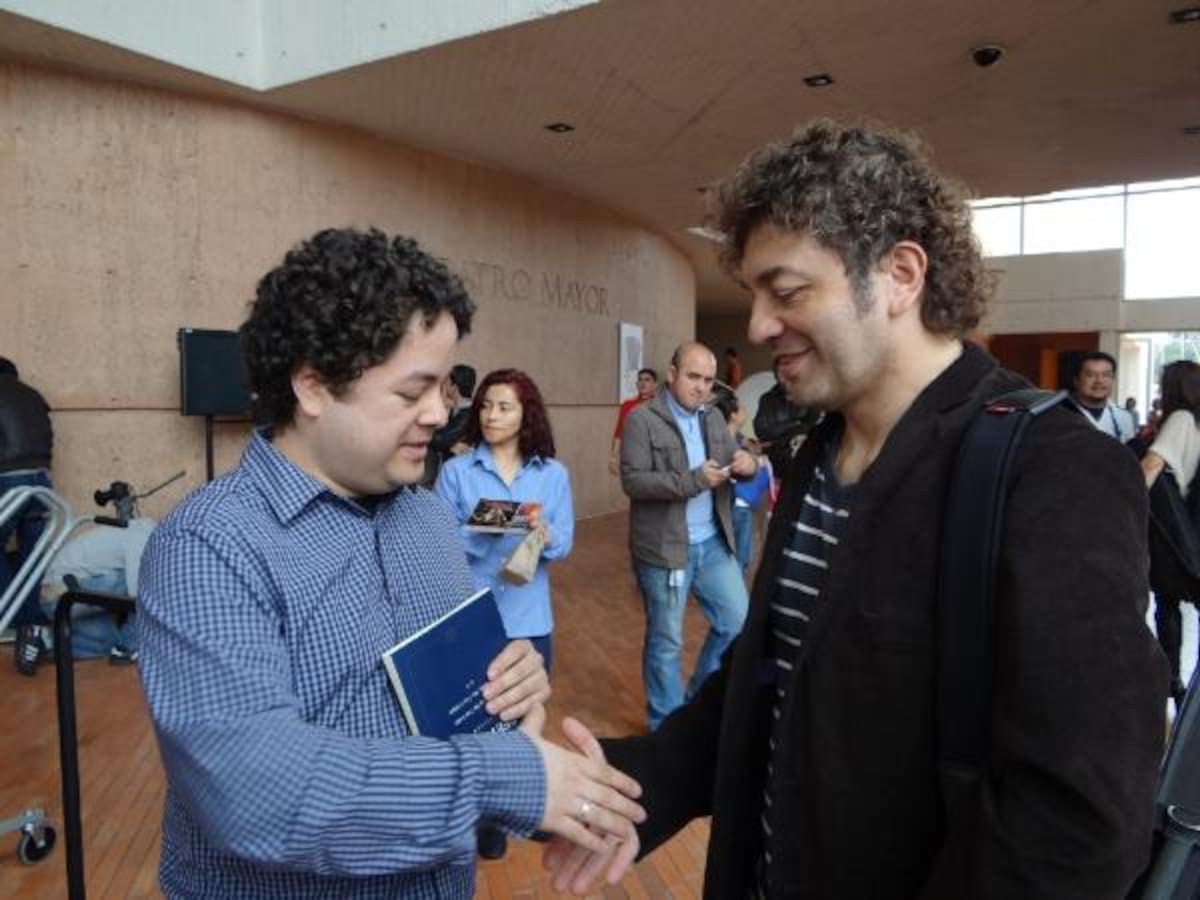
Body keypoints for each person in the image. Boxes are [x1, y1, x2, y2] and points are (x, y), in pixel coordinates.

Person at [545, 120, 1167, 899]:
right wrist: (636, 790)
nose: (763, 327)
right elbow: (773, 670)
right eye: (756, 296)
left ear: (902, 275)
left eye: (789, 291)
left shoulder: (1055, 469)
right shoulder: (819, 452)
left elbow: (1077, 820)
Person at [136, 228, 644, 898]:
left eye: (443, 387)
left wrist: (509, 694)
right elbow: (260, 792)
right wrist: (507, 777)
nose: (441, 412)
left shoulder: (428, 516)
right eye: (414, 391)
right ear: (314, 385)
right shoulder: (208, 548)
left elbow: (458, 705)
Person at [619, 342, 755, 731]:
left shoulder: (712, 418)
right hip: (665, 549)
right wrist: (694, 481)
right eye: (693, 377)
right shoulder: (641, 419)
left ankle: (693, 701)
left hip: (713, 542)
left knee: (736, 622)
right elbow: (634, 481)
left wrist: (746, 462)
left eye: (709, 380)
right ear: (673, 372)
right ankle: (665, 724)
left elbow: (737, 454)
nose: (700, 387)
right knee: (666, 642)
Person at [436, 368, 574, 669]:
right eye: (485, 406)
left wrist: (547, 536)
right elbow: (440, 547)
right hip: (469, 617)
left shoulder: (554, 474)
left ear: (527, 413)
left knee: (527, 712)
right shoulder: (455, 472)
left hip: (530, 621)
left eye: (503, 407)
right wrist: (483, 526)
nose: (491, 416)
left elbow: (564, 543)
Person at [1140, 359, 1200, 706]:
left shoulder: (1181, 419)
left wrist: (1122, 500)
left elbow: (1151, 465)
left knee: (1168, 603)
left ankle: (1172, 681)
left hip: (1184, 533)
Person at [0, 356, 54, 675]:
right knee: (31, 558)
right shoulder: (34, 395)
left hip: (6, 479)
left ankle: (23, 621)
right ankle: (33, 628)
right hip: (41, 481)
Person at [710, 387, 771, 571]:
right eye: (741, 406)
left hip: (741, 506)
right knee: (739, 556)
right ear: (734, 415)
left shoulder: (736, 437)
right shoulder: (728, 443)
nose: (745, 409)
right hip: (738, 507)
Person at [752, 355, 822, 473]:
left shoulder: (809, 395)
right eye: (780, 373)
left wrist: (782, 431)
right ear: (775, 375)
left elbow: (814, 426)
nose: (784, 378)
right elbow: (761, 430)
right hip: (776, 458)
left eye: (788, 371)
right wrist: (795, 425)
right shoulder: (768, 398)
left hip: (804, 456)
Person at [1070, 351, 1136, 442]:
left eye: (1106, 375)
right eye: (1090, 375)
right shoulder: (1058, 415)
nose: (1099, 381)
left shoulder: (1124, 417)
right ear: (1076, 380)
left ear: (1112, 380)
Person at [608, 368, 657, 476]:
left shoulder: (661, 405)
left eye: (647, 380)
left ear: (655, 384)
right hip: (632, 456)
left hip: (655, 458)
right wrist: (613, 457)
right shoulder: (628, 405)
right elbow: (619, 432)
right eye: (640, 380)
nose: (643, 383)